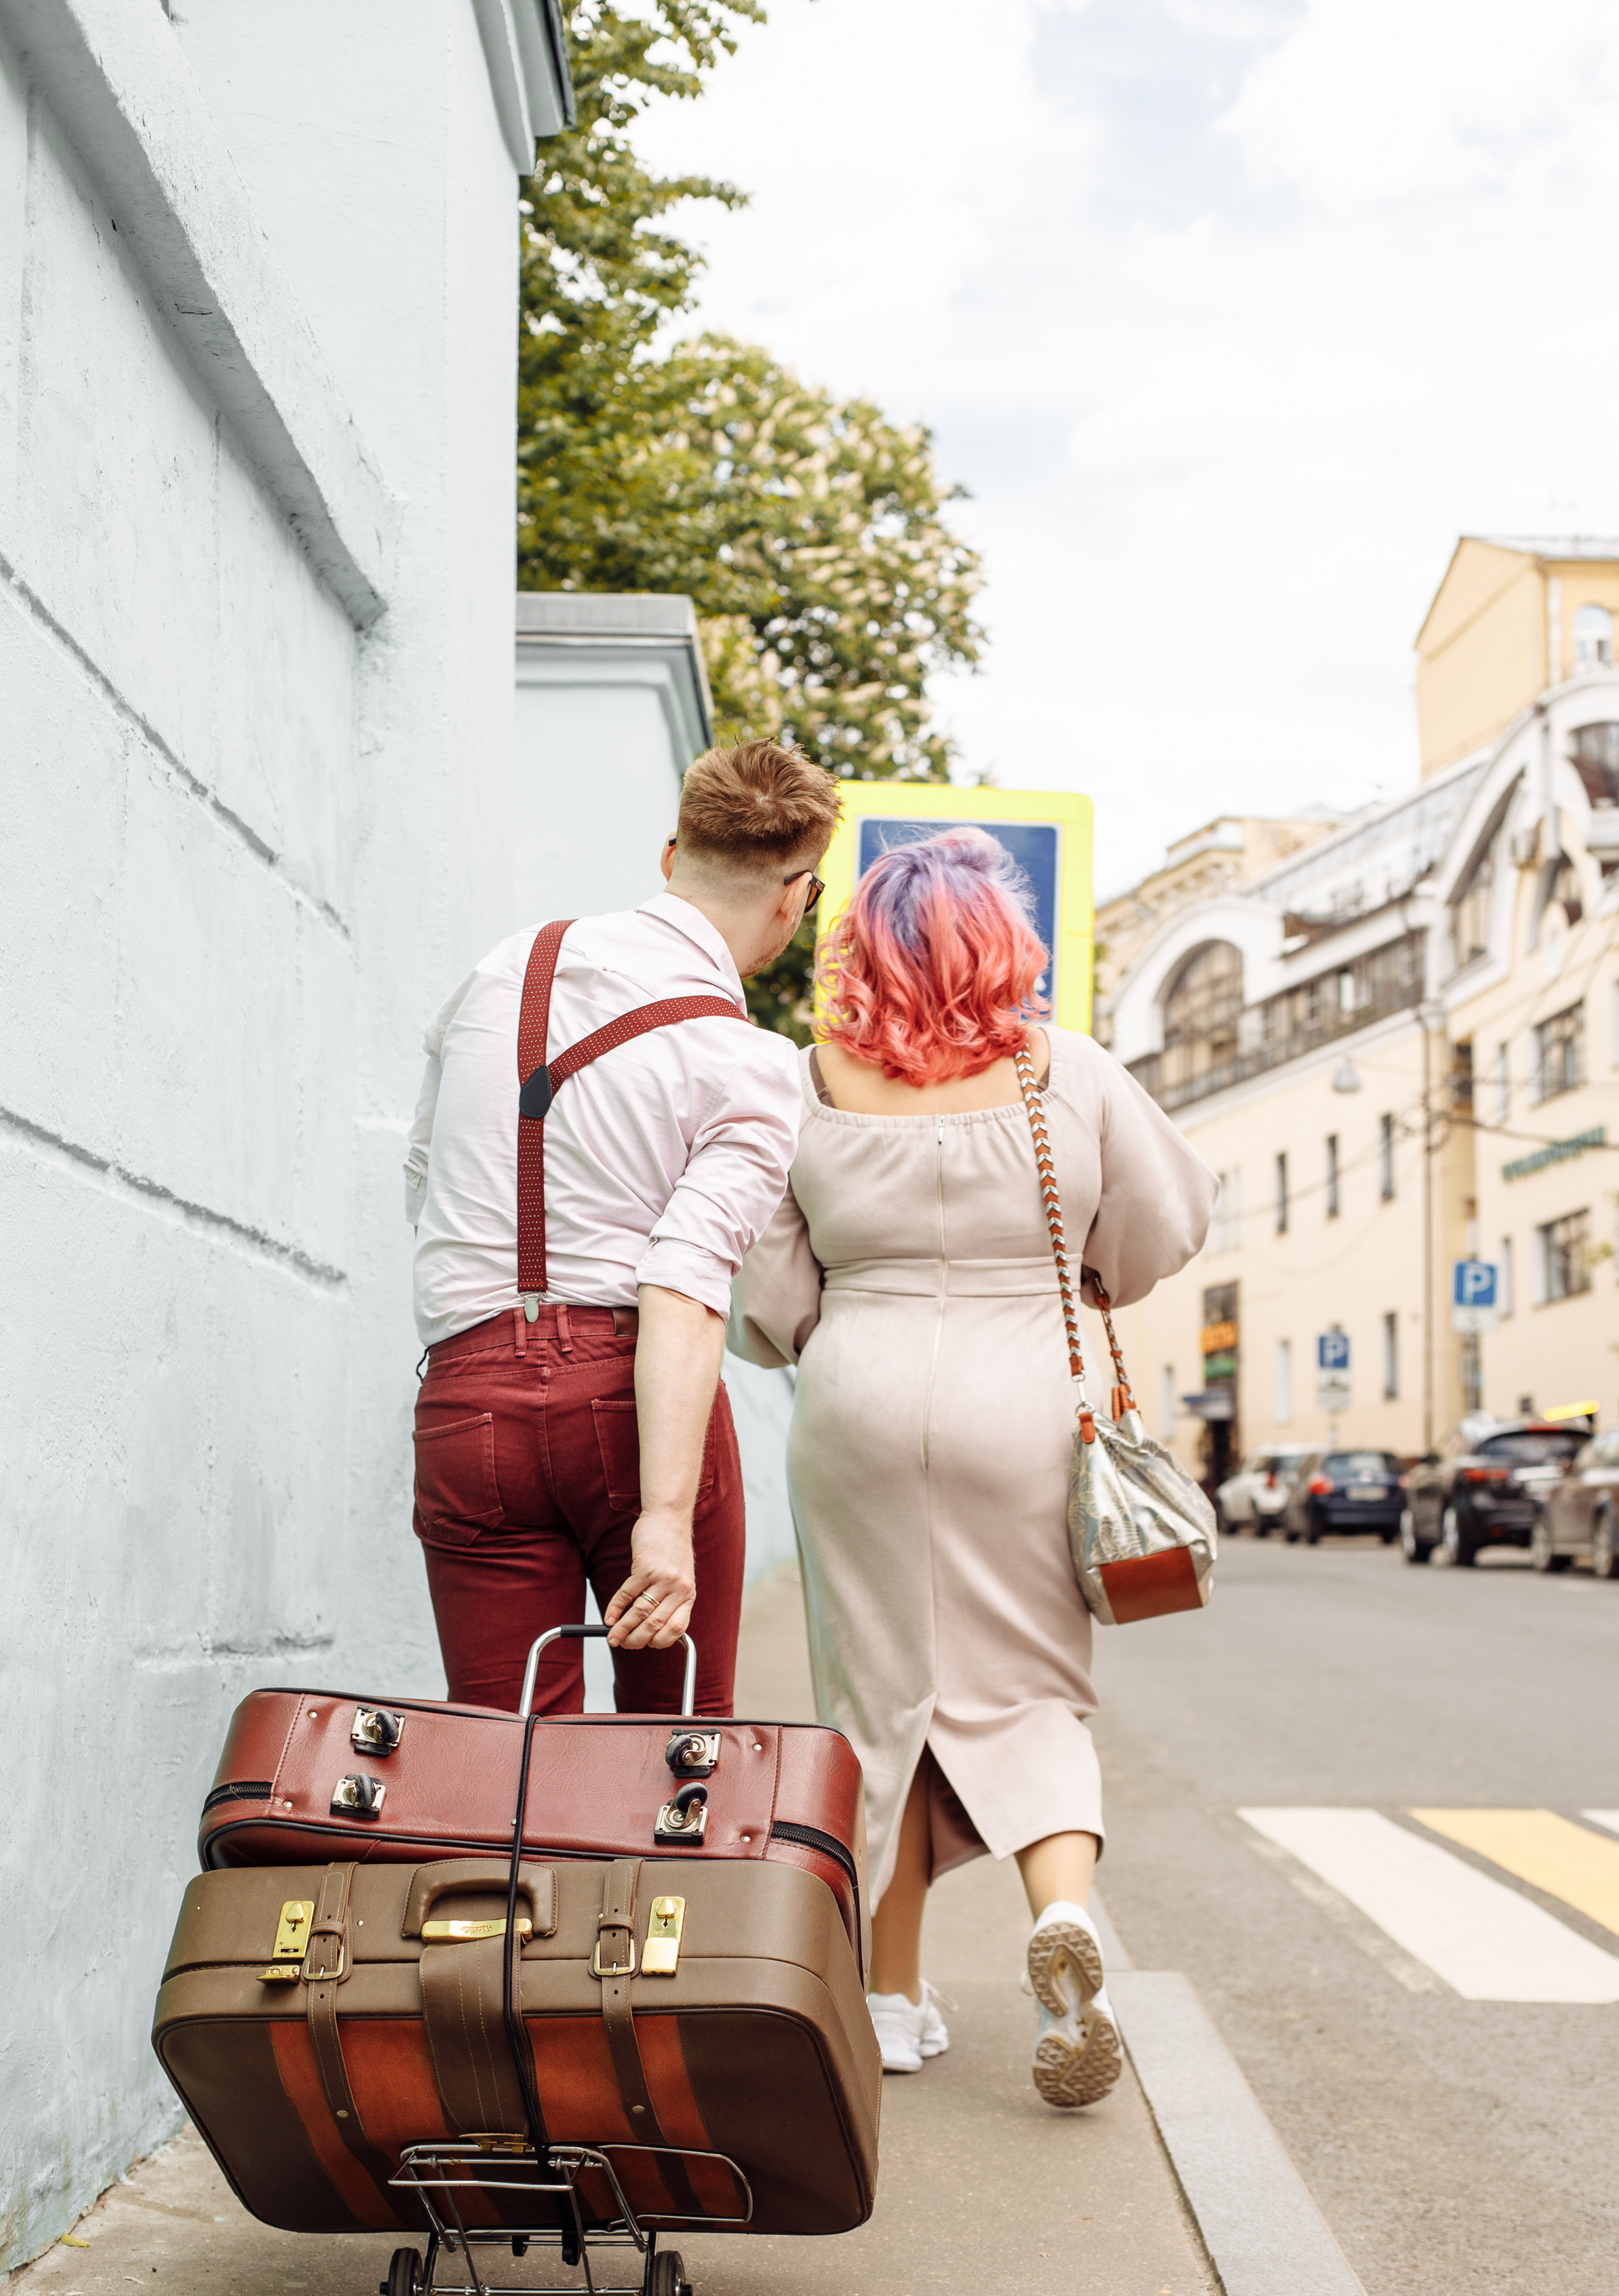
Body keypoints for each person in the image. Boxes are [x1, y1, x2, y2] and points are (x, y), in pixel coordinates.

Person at [729, 829, 1215, 2101]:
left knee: (877, 1698)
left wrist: (822, 1332)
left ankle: (887, 2000)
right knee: (1031, 1688)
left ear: (859, 951)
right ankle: (1062, 1915)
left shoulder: (806, 1080)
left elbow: (764, 1283)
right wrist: (1085, 1268)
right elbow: (1161, 1225)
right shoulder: (1071, 1073)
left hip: (862, 1399)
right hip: (1026, 1397)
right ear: (1006, 945)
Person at [404, 739, 838, 1716]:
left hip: (468, 1399)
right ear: (794, 896)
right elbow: (684, 1286)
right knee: (672, 1759)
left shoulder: (504, 969)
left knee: (511, 1766)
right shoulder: (750, 1063)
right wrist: (666, 1519)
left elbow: (424, 1171)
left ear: (671, 854)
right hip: (632, 1405)